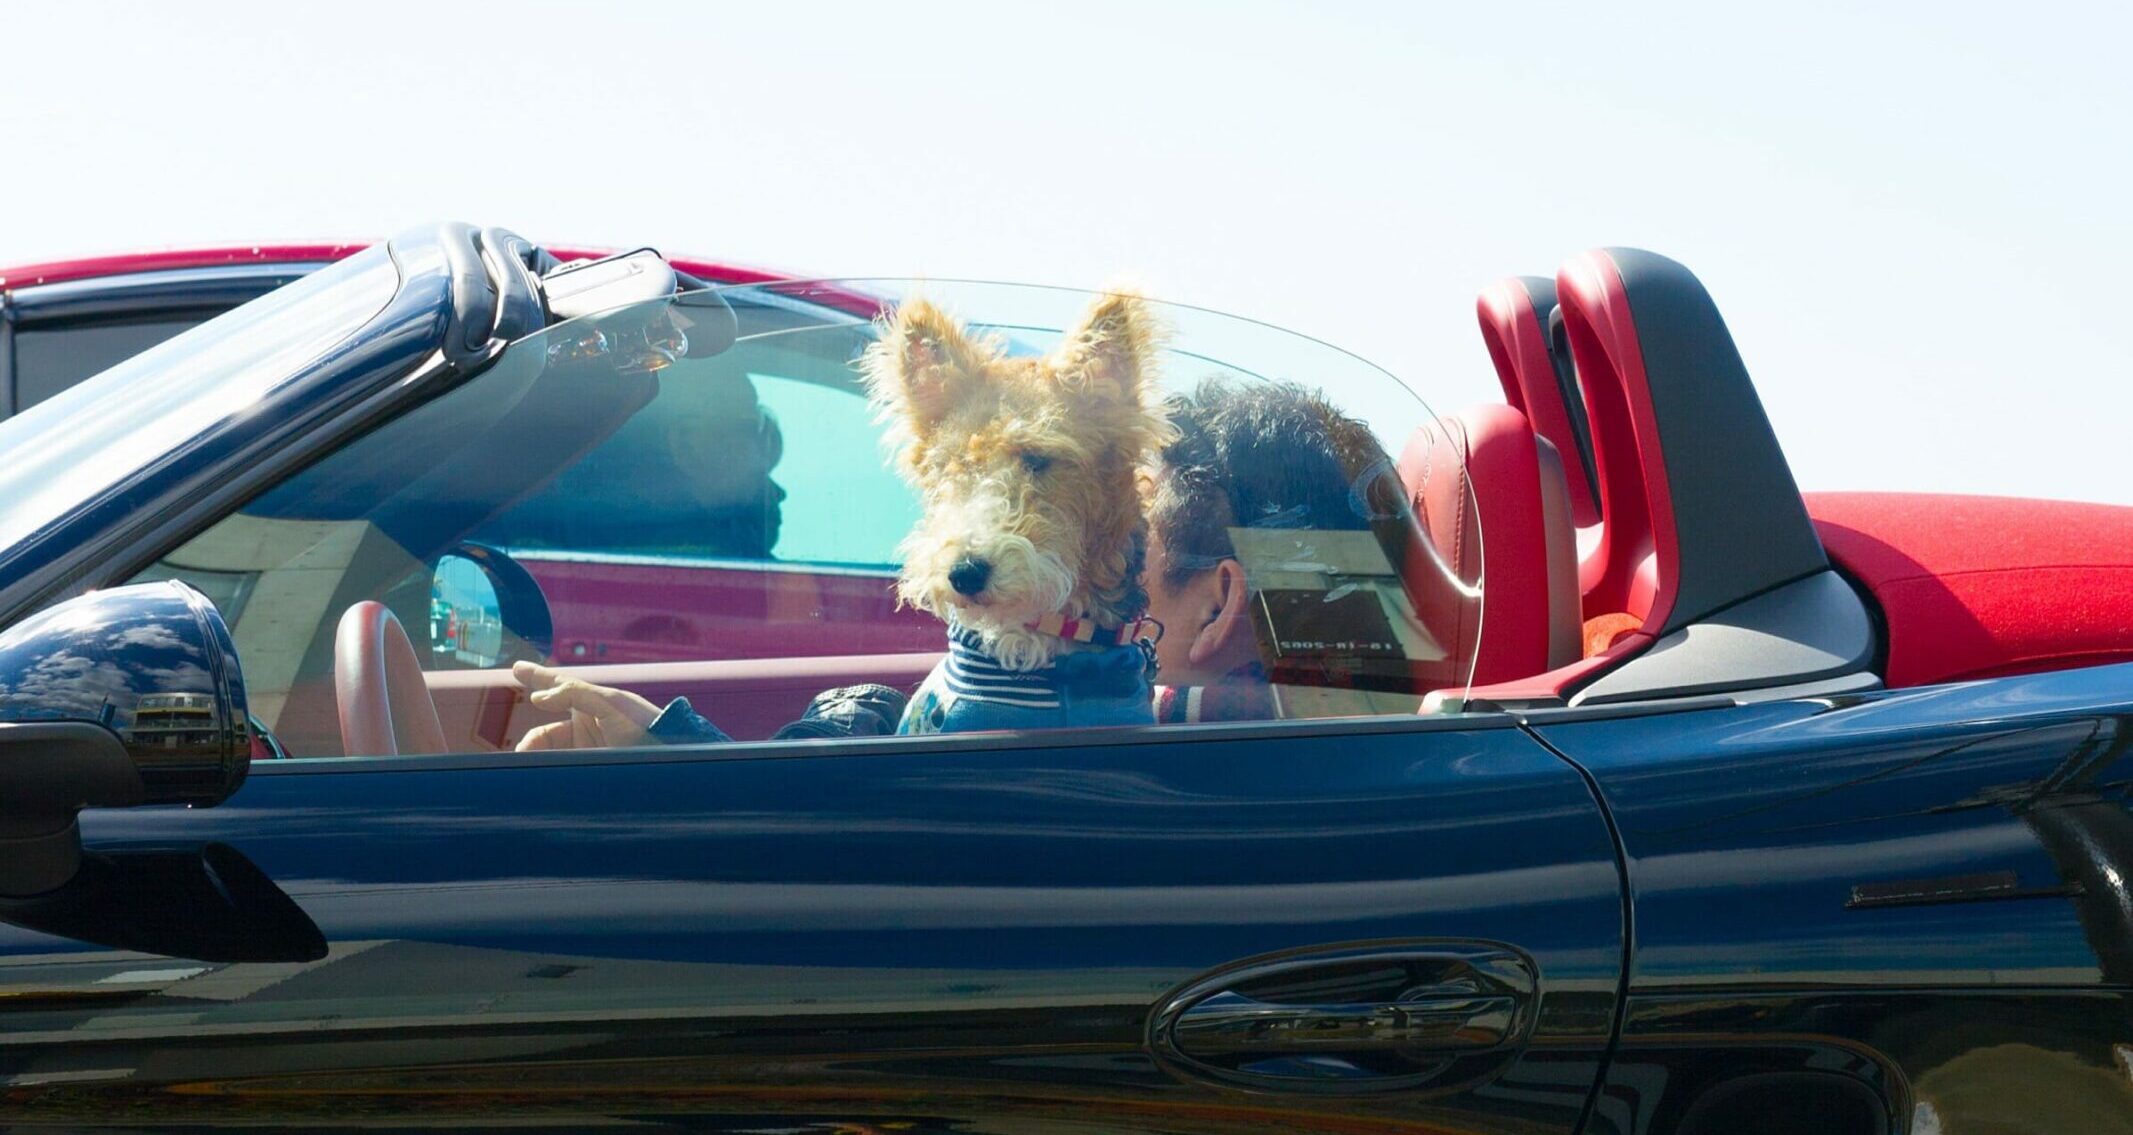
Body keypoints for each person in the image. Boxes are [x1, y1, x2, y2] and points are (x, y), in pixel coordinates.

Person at [512, 376, 1404, 746]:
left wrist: (675, 748)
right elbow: (1353, 678)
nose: (1099, 559)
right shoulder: (1338, 745)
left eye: (1126, 537)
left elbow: (857, 852)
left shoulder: (1142, 742)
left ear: (1217, 604)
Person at [1140, 376, 1406, 723]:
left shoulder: (1104, 731)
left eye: (1131, 565)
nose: (1099, 589)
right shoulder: (1380, 729)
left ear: (1217, 608)